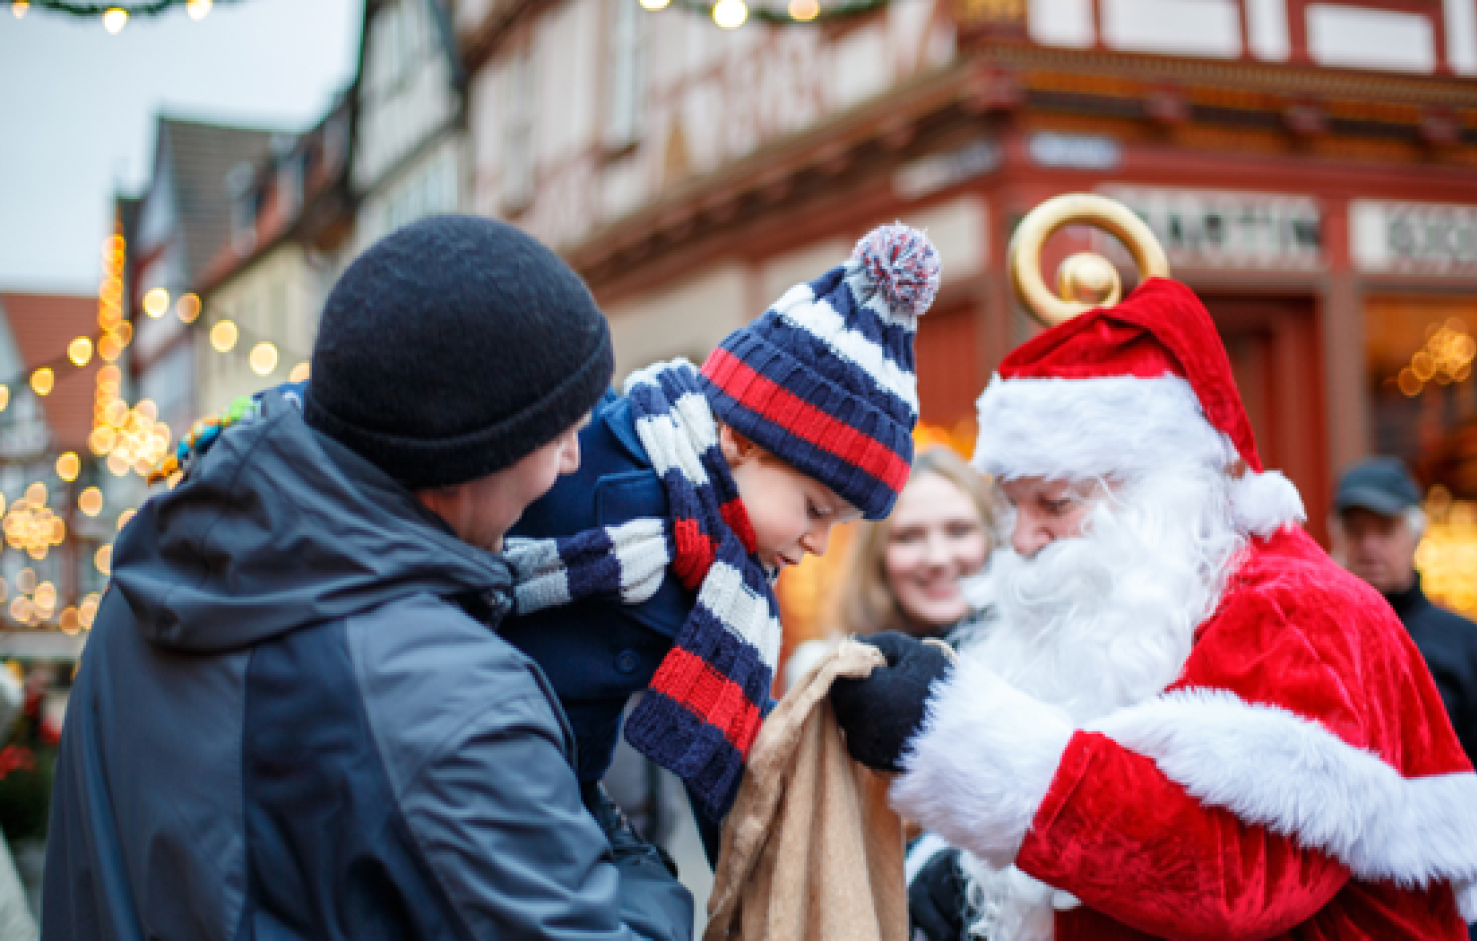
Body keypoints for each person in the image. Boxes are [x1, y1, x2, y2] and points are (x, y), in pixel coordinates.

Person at [41, 216, 692, 940]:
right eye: (560, 432)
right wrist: (629, 861)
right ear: (476, 452)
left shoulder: (149, 573)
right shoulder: (449, 700)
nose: (573, 460)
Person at [830, 277, 1477, 940]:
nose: (1021, 537)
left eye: (1056, 504)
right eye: (1013, 504)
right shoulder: (1154, 598)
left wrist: (961, 741)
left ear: (1161, 490)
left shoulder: (1297, 610)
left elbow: (1237, 872)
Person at [499, 224, 940, 841]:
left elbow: (733, 769)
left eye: (838, 525)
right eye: (815, 509)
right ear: (739, 439)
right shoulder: (584, 455)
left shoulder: (731, 578)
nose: (818, 543)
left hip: (553, 806)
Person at [1332, 457, 1477, 941]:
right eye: (1355, 529)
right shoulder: (1317, 641)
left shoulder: (1466, 646)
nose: (1368, 545)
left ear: (1415, 535)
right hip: (1339, 903)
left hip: (1442, 898)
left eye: (1383, 529)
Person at [783, 444, 994, 690]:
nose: (938, 558)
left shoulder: (1033, 671)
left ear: (993, 539)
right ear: (877, 554)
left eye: (959, 531)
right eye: (908, 536)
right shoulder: (823, 677)